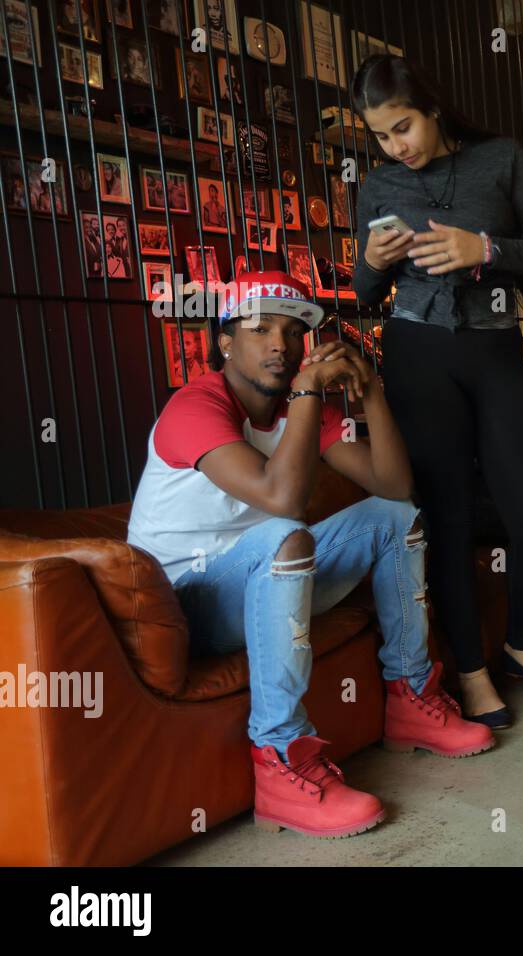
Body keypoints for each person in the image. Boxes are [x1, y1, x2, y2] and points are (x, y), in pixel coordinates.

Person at [126, 270, 493, 839]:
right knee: (285, 531)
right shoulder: (193, 406)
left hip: (268, 580)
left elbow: (394, 486)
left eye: (294, 331)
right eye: (261, 329)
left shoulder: (300, 407)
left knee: (395, 520)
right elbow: (283, 498)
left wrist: (370, 388)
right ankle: (279, 761)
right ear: (225, 342)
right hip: (187, 606)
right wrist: (307, 391)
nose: (282, 343)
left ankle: (411, 697)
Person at [351, 54, 523, 729]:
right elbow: (369, 297)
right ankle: (475, 674)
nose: (397, 147)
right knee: (446, 519)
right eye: (383, 137)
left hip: (495, 347)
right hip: (417, 353)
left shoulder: (500, 158)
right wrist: (370, 264)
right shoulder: (379, 186)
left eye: (404, 128)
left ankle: (520, 643)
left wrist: (484, 249)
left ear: (432, 109)